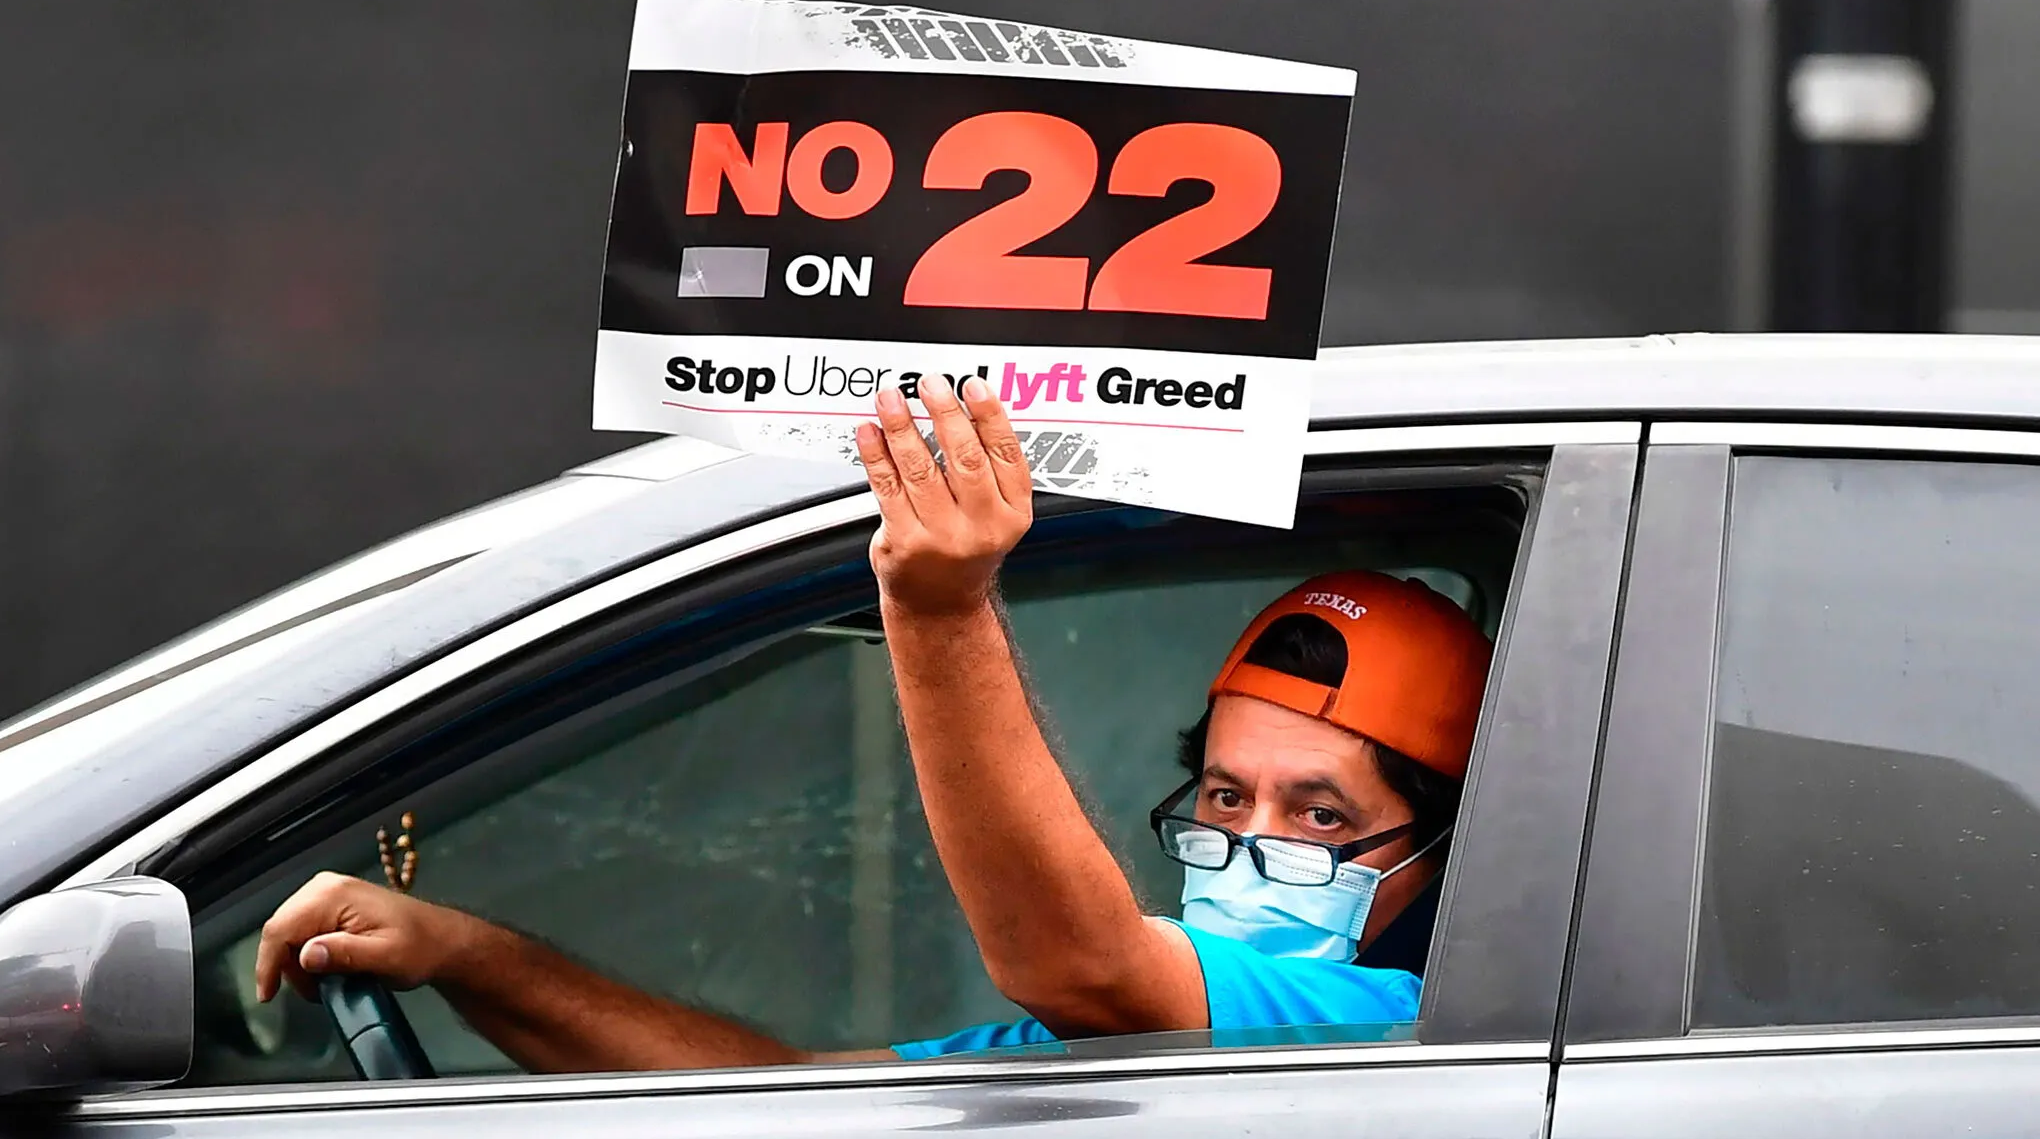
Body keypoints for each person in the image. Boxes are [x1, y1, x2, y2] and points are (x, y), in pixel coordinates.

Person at [255, 376, 1492, 1070]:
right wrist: (467, 955)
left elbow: (1088, 963)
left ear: (1438, 862)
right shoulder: (1094, 1043)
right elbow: (770, 1106)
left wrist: (939, 606)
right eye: (1224, 797)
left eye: (1317, 813)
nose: (1244, 840)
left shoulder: (1393, 1031)